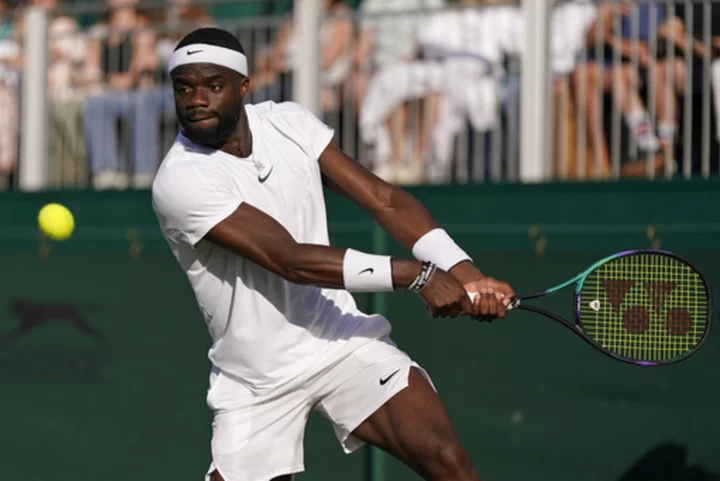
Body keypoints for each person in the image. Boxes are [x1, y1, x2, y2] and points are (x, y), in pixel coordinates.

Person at [151, 27, 515, 481]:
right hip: (257, 378)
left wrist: (465, 272)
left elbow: (383, 199)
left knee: (448, 460)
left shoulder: (289, 123)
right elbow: (289, 259)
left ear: (245, 87)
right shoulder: (180, 181)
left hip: (340, 339)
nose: (196, 99)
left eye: (213, 85)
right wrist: (417, 276)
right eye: (184, 88)